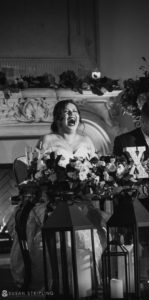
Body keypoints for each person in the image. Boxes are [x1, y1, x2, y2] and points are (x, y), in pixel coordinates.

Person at [8, 99, 108, 292]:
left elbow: (92, 172)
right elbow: (36, 174)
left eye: (74, 111)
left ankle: (84, 284)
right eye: (66, 112)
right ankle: (56, 284)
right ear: (58, 119)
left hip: (79, 200)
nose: (71, 115)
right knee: (49, 240)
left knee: (91, 235)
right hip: (51, 200)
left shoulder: (87, 142)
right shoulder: (48, 140)